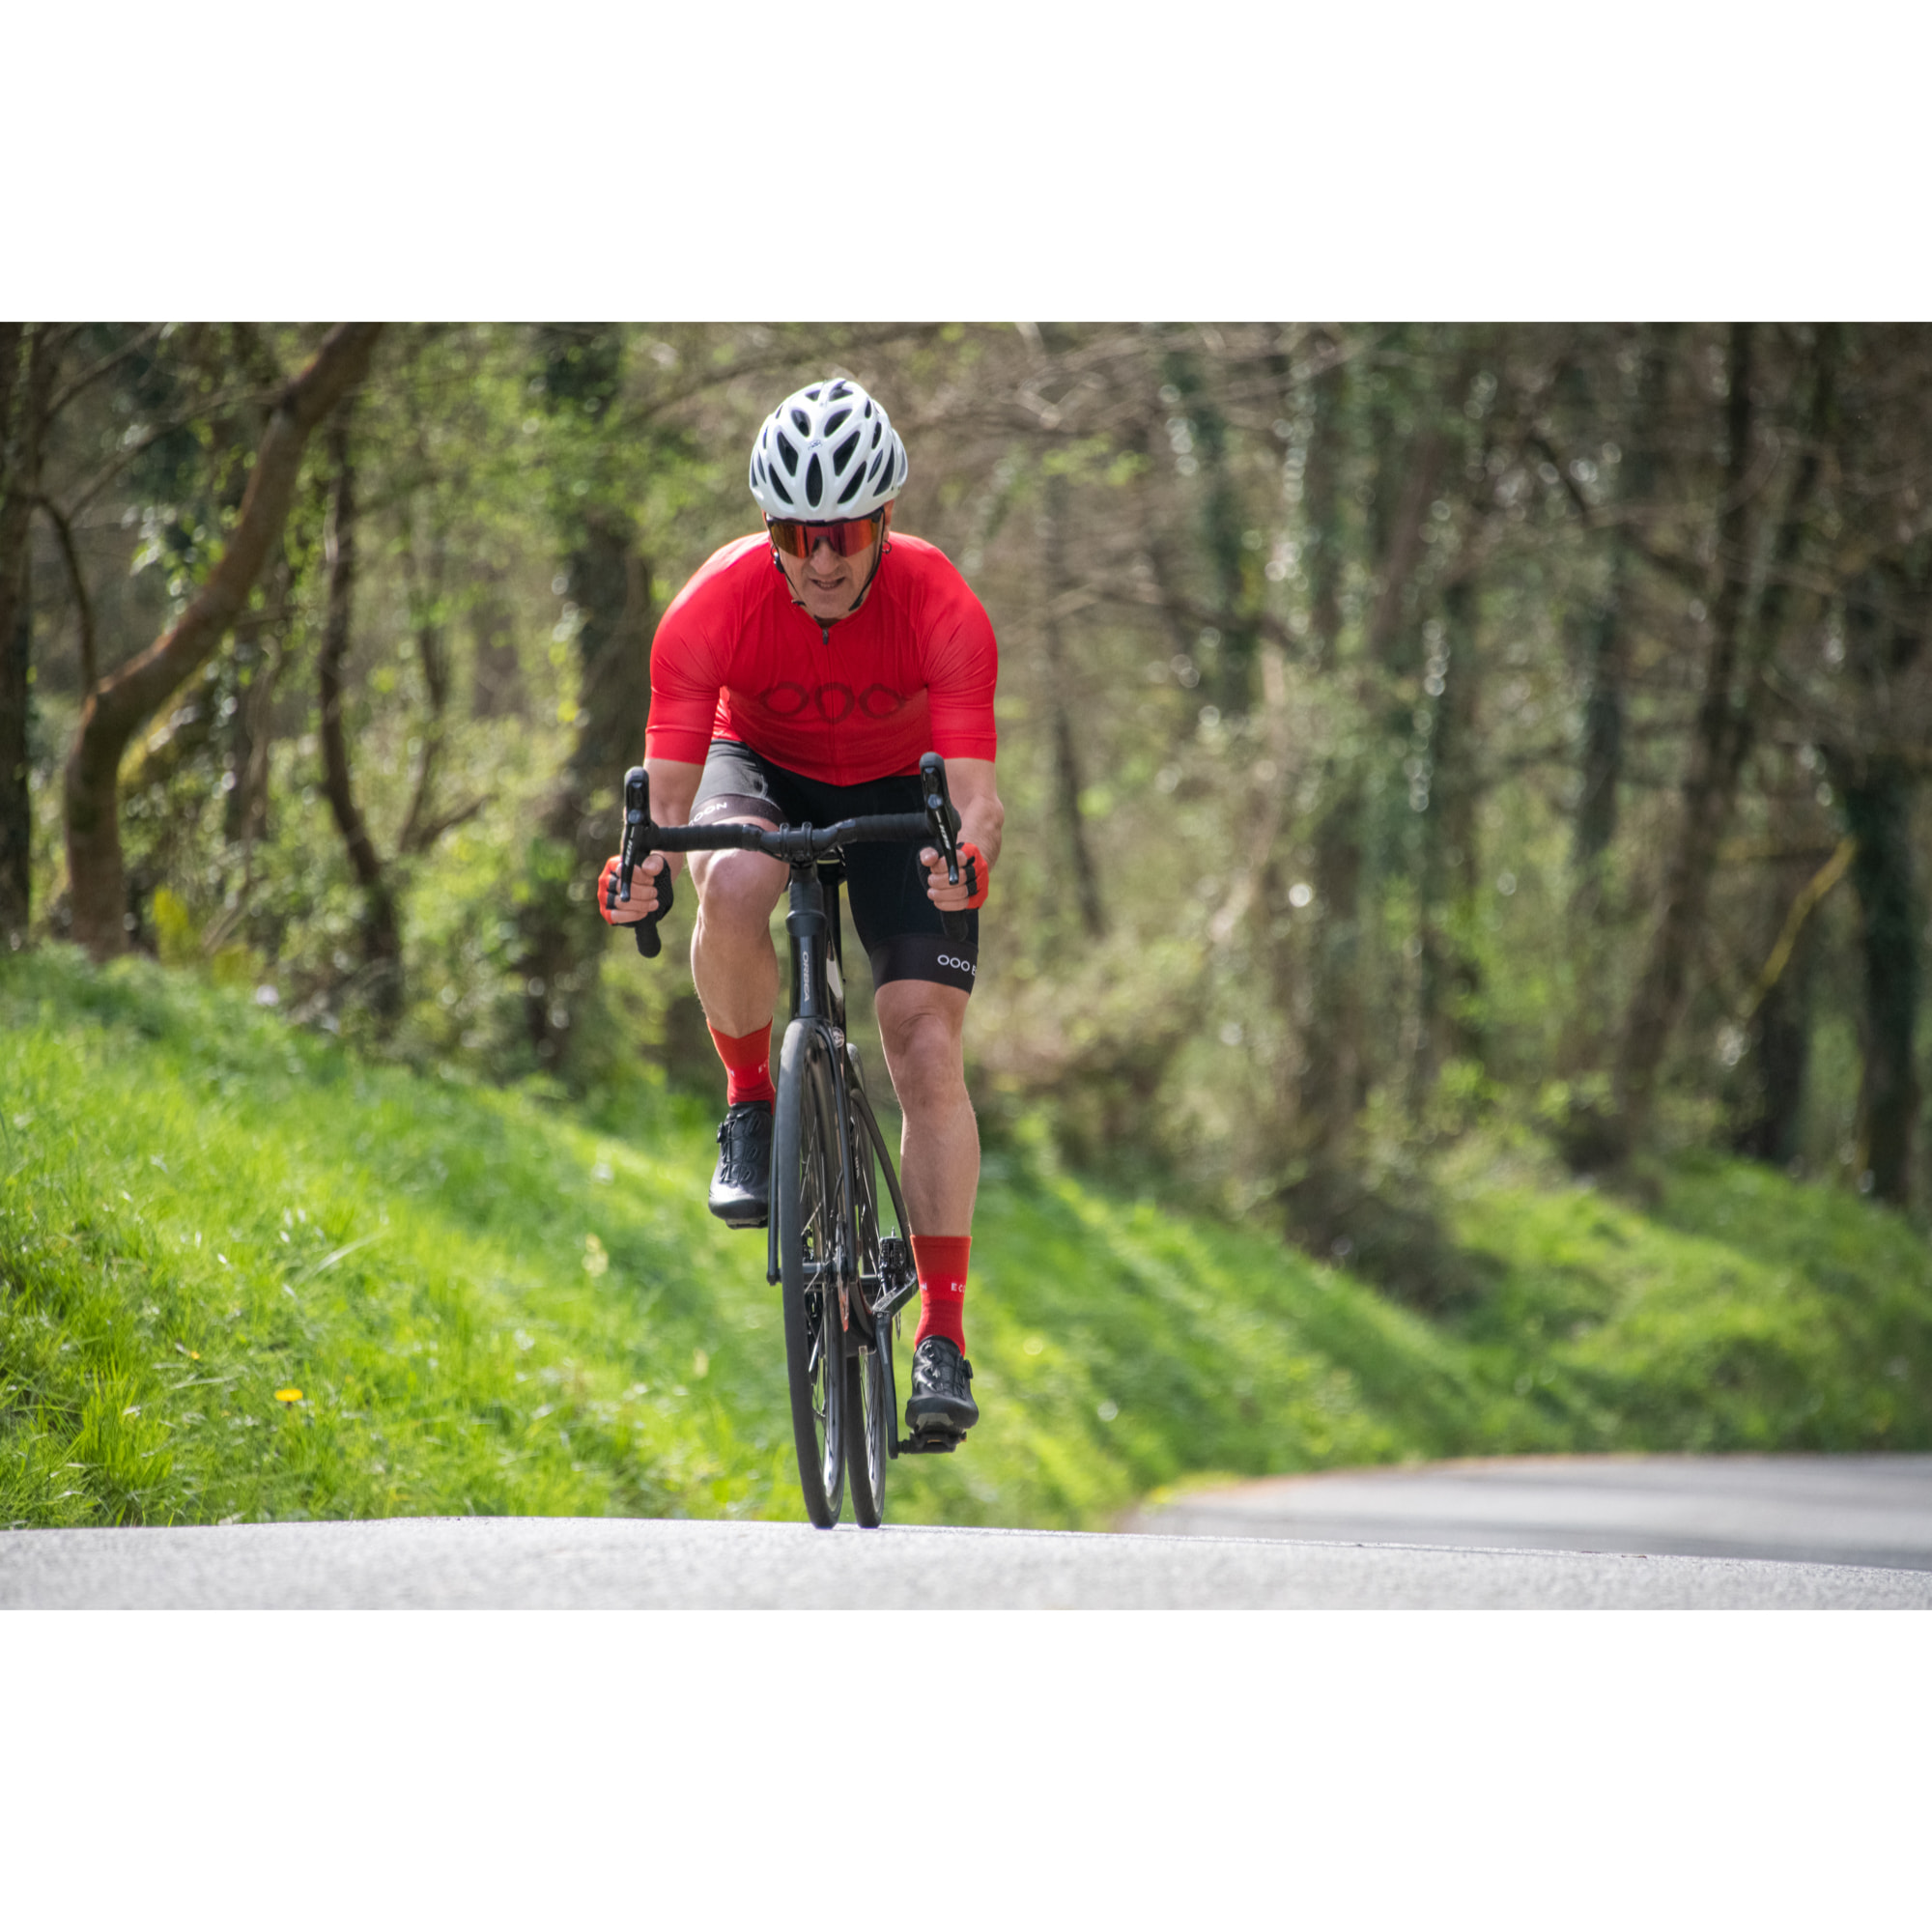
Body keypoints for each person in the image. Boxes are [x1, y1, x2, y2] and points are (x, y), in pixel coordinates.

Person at [598, 377, 1003, 1441]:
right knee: (728, 877)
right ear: (768, 528)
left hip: (895, 792)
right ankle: (748, 1102)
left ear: (884, 520)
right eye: (796, 532)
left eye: (847, 531)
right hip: (761, 767)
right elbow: (667, 803)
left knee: (921, 1043)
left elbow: (975, 798)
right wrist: (637, 868)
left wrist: (967, 862)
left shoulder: (941, 603)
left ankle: (943, 1337)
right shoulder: (712, 605)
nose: (821, 559)